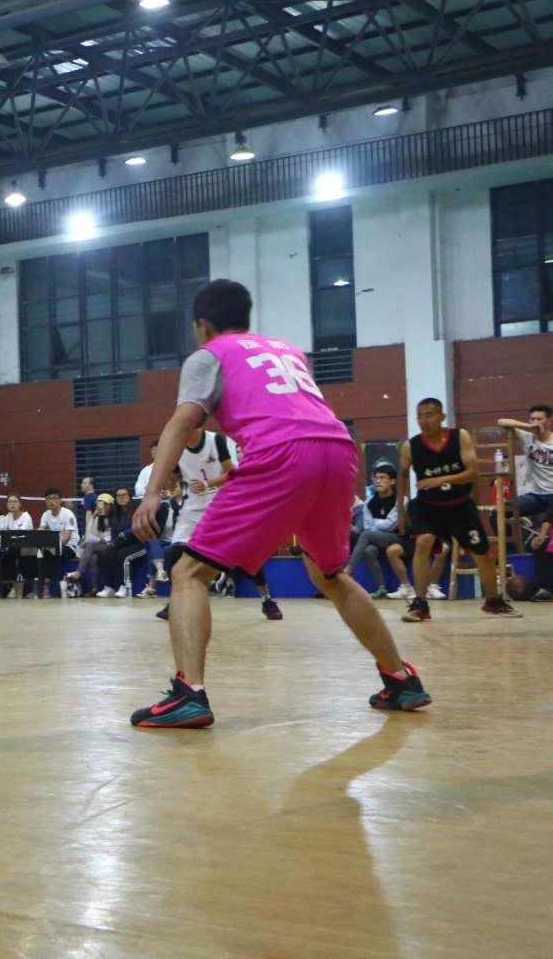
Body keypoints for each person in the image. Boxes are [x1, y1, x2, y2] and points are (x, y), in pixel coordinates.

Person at [128, 279, 428, 728]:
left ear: (202, 324)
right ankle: (401, 679)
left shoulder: (208, 354)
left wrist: (152, 492)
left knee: (188, 572)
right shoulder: (286, 350)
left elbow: (181, 423)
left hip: (282, 453)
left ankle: (189, 693)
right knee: (330, 574)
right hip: (338, 451)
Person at [398, 397, 520, 621]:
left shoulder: (459, 437)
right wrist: (400, 509)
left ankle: (493, 602)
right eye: (420, 416)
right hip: (427, 507)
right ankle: (420, 605)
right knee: (424, 542)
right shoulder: (410, 446)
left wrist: (438, 480)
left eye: (429, 415)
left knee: (483, 555)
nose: (424, 420)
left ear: (442, 417)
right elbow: (402, 476)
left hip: (459, 506)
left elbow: (472, 473)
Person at [151, 429, 283, 620]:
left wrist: (208, 483)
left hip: (221, 503)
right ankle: (177, 602)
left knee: (247, 556)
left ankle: (267, 599)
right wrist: (161, 476)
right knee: (173, 554)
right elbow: (173, 482)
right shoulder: (177, 446)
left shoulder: (215, 440)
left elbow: (232, 474)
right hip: (192, 508)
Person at [349, 464, 403, 597]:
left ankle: (349, 569)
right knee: (369, 550)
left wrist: (375, 524)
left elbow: (391, 525)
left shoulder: (400, 500)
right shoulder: (369, 502)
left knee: (366, 535)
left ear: (392, 481)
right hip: (379, 539)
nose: (378, 481)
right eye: (375, 478)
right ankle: (381, 588)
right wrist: (378, 525)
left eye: (382, 477)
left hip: (399, 538)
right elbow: (368, 525)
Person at [498, 405, 553, 516]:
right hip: (535, 496)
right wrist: (528, 427)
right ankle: (524, 528)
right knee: (499, 512)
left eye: (539, 419)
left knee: (547, 522)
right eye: (532, 419)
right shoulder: (527, 437)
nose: (535, 422)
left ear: (549, 421)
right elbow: (501, 422)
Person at [66, 492, 117, 596]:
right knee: (93, 558)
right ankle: (94, 589)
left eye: (105, 504)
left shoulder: (115, 518)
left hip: (111, 546)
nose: (102, 507)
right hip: (98, 547)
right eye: (100, 504)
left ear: (111, 506)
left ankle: (78, 572)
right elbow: (88, 535)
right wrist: (93, 518)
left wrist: (101, 540)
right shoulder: (98, 518)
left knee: (91, 545)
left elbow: (111, 538)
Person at [35, 487, 77, 597]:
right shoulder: (45, 515)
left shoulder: (68, 514)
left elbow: (66, 539)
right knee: (41, 555)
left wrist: (51, 542)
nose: (51, 501)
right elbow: (41, 530)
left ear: (60, 500)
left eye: (54, 498)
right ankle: (46, 587)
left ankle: (56, 588)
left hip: (70, 546)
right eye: (48, 499)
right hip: (53, 546)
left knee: (53, 555)